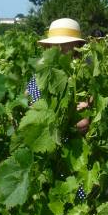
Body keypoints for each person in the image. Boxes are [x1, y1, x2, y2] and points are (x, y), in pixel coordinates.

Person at [26, 17, 91, 201]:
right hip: (50, 147)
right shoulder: (42, 72)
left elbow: (94, 108)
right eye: (54, 46)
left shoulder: (86, 71)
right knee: (51, 195)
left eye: (64, 45)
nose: (59, 49)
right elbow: (32, 105)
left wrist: (89, 109)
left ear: (76, 46)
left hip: (77, 151)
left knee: (78, 197)